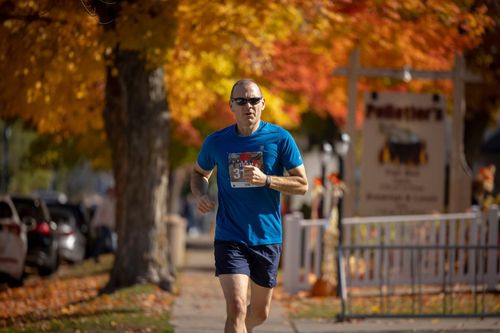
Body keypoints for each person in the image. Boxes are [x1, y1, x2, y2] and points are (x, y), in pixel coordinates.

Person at [191, 79, 308, 333]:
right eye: (241, 100)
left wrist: (266, 179)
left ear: (263, 104)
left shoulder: (280, 138)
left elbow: (302, 184)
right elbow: (199, 173)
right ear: (231, 105)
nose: (248, 106)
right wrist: (200, 194)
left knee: (259, 314)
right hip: (229, 236)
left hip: (267, 237)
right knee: (236, 308)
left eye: (254, 100)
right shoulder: (217, 142)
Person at [91, 186, 116, 262]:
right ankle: (96, 256)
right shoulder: (105, 201)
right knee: (104, 241)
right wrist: (95, 224)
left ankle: (96, 256)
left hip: (110, 225)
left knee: (102, 242)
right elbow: (98, 214)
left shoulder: (114, 201)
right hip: (103, 225)